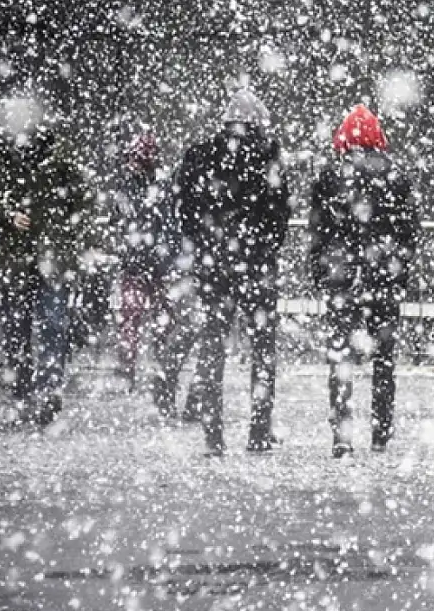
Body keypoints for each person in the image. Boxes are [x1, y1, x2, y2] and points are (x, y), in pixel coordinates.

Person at [168, 88, 290, 455]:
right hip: (256, 265)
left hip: (213, 265)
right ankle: (258, 429)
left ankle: (213, 434)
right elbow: (279, 212)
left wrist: (206, 244)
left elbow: (183, 208)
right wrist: (263, 246)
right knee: (262, 349)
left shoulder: (200, 155)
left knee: (212, 346)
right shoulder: (268, 157)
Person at [308, 104, 419, 458]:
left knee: (340, 356)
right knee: (383, 358)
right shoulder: (396, 175)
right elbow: (408, 231)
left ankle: (342, 434)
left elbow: (319, 230)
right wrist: (399, 269)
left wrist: (321, 270)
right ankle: (381, 431)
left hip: (342, 279)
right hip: (383, 277)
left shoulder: (330, 175)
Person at [0, 114, 93, 424]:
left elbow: (85, 198)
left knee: (50, 324)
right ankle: (26, 390)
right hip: (17, 257)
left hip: (49, 257)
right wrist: (6, 213)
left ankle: (46, 391)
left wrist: (64, 229)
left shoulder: (58, 157)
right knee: (18, 327)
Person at [112, 131, 172, 389]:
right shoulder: (157, 184)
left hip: (142, 261)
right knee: (148, 320)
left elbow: (123, 219)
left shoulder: (132, 185)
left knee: (133, 320)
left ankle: (134, 369)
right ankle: (155, 367)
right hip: (149, 262)